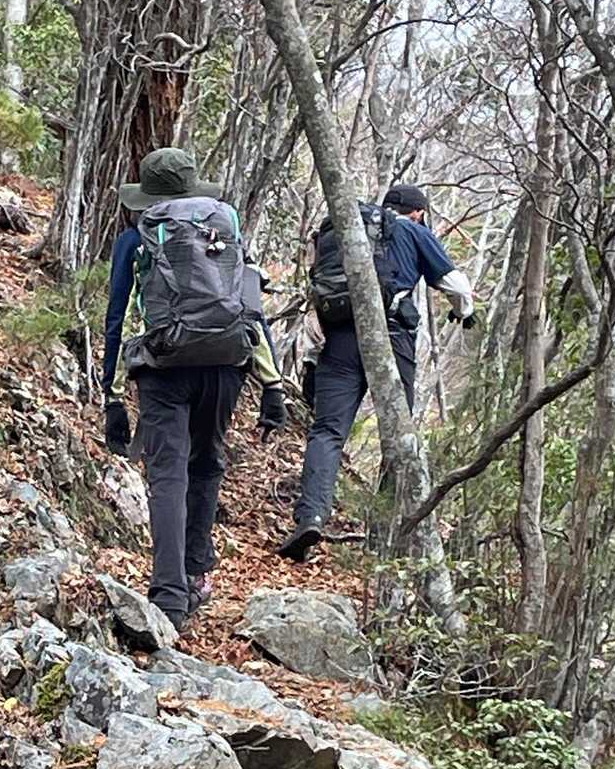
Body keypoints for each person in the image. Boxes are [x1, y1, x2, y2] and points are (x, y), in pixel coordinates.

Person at [102, 147, 286, 631]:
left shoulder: (135, 238)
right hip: (226, 363)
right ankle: (196, 574)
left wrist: (111, 395)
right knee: (206, 463)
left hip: (163, 366)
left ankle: (168, 597)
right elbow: (250, 305)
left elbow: (117, 317)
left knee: (167, 475)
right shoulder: (222, 229)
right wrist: (272, 384)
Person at [279, 182, 474, 562]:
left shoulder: (347, 228)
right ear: (418, 212)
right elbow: (457, 286)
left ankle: (311, 516)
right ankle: (381, 534)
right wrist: (464, 312)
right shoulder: (413, 231)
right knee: (397, 436)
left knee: (328, 431)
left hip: (340, 337)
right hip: (392, 340)